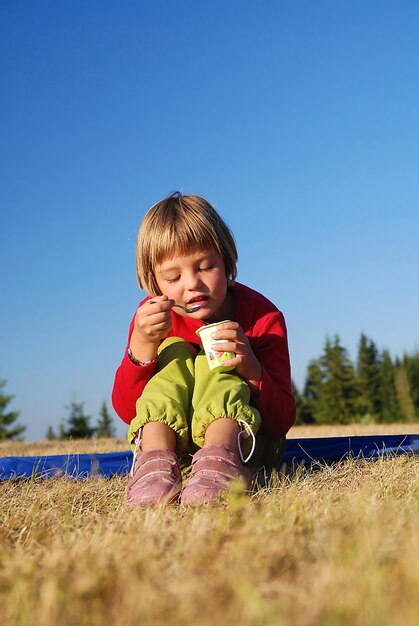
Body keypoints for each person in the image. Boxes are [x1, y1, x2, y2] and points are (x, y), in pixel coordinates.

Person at [112, 192, 296, 507]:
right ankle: (154, 465)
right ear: (155, 283)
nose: (192, 283)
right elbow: (129, 411)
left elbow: (281, 421)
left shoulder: (262, 316)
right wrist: (142, 345)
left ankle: (219, 460)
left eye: (205, 266)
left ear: (225, 260)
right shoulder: (151, 319)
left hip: (245, 452)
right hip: (178, 459)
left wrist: (250, 367)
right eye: (173, 277)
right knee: (175, 351)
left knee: (216, 360)